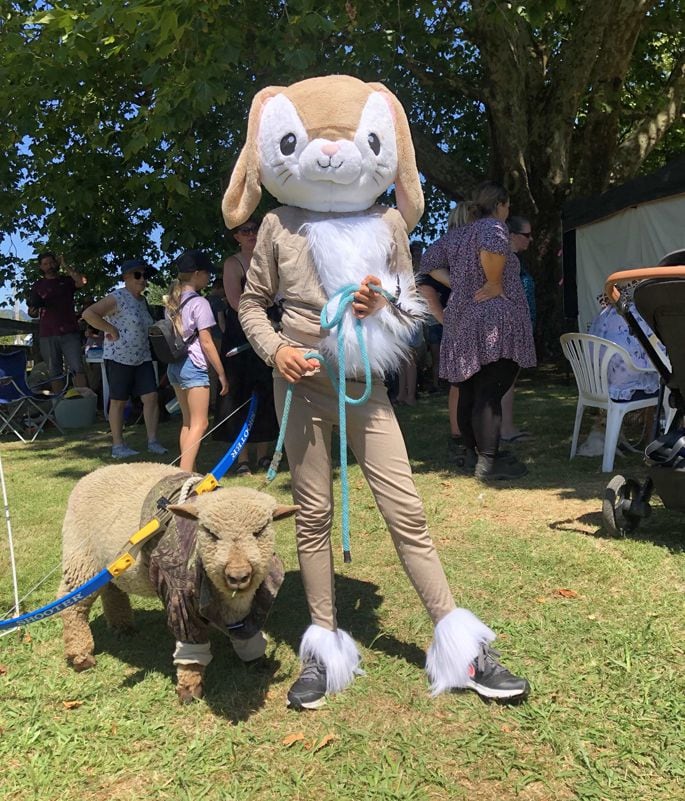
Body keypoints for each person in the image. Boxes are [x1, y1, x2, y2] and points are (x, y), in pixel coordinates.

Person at [421, 181, 536, 481]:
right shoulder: (493, 228)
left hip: (462, 319)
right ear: (499, 204)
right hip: (493, 319)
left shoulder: (457, 236)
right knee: (490, 390)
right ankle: (488, 461)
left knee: (470, 390)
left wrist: (459, 283)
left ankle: (473, 453)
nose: (507, 212)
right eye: (507, 206)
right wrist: (494, 281)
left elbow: (428, 262)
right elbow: (495, 246)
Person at [82, 259, 167, 459]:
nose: (143, 279)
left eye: (145, 275)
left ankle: (153, 441)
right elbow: (89, 314)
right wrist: (110, 329)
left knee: (151, 397)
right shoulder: (117, 297)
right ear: (126, 277)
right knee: (118, 401)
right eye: (138, 275)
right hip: (119, 357)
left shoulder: (143, 301)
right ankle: (118, 445)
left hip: (142, 357)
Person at [213, 218, 278, 475]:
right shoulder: (233, 263)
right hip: (242, 334)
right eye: (245, 230)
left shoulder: (270, 259)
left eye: (255, 228)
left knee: (266, 393)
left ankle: (263, 454)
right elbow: (234, 301)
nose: (252, 234)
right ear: (236, 236)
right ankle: (240, 458)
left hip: (270, 329)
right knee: (239, 394)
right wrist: (259, 322)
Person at [164, 250, 228, 473]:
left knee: (188, 422)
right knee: (201, 423)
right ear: (197, 274)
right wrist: (220, 373)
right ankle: (183, 476)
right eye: (207, 273)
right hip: (193, 365)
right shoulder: (200, 303)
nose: (209, 278)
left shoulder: (171, 302)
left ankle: (185, 471)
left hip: (175, 365)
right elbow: (207, 341)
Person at [27, 252, 88, 393]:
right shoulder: (38, 285)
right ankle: (59, 406)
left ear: (56, 263)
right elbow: (32, 311)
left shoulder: (66, 281)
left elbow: (82, 282)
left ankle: (85, 401)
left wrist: (66, 265)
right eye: (45, 264)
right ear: (40, 267)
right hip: (47, 333)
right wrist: (32, 311)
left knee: (77, 368)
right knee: (54, 372)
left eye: (51, 262)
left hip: (69, 331)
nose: (49, 266)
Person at [499, 215, 536, 443]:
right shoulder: (506, 261)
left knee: (507, 379)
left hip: (517, 326)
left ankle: (505, 427)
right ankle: (506, 429)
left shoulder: (510, 260)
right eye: (526, 235)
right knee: (506, 380)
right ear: (512, 235)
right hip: (509, 328)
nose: (530, 240)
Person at [206, 277, 228, 409]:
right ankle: (215, 399)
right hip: (217, 338)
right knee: (217, 369)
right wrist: (226, 336)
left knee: (209, 371)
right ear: (219, 288)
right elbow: (221, 322)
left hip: (205, 336)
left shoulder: (204, 300)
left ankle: (209, 399)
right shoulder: (218, 302)